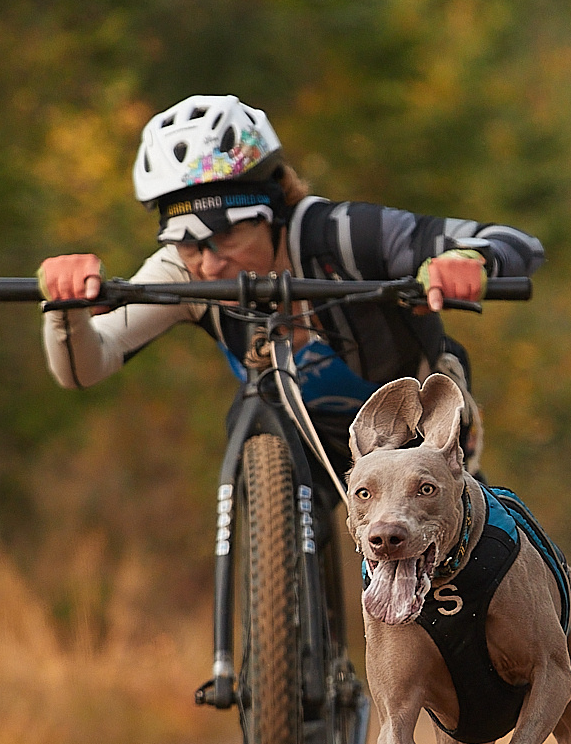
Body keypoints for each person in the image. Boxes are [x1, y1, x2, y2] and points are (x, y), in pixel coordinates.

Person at [38, 94, 544, 509]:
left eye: (226, 234)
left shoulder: (347, 234)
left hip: (412, 435)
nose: (208, 264)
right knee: (252, 425)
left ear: (275, 206)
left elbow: (516, 242)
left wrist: (469, 260)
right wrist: (66, 309)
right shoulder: (178, 270)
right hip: (293, 445)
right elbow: (84, 368)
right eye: (187, 241)